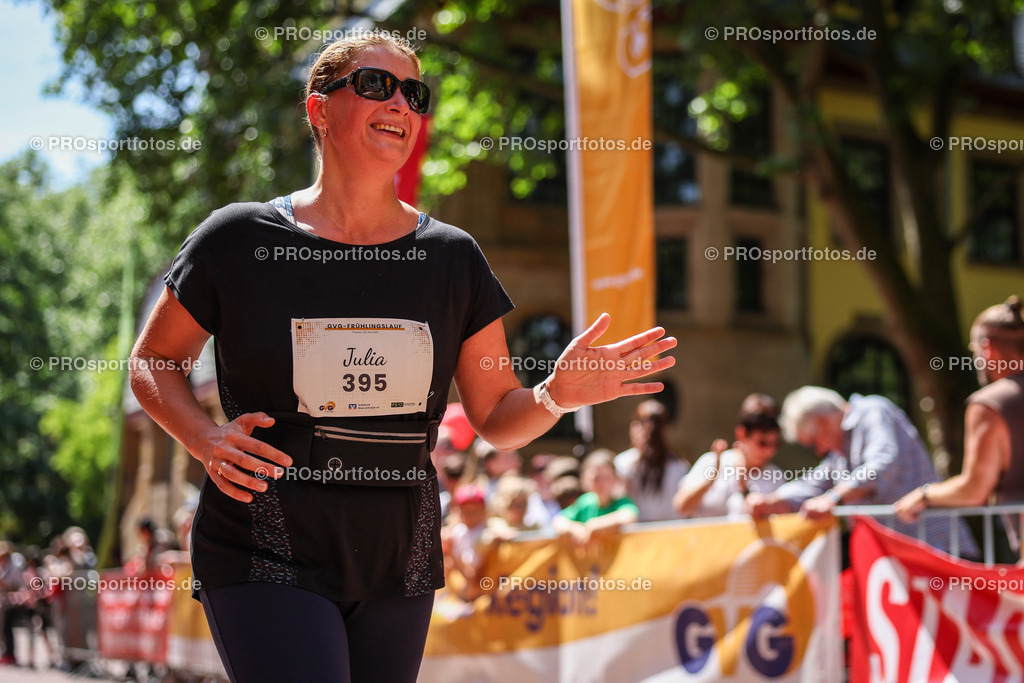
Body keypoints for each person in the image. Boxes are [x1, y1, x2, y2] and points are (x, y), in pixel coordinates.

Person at [128, 33, 676, 683]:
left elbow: (498, 413)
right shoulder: (238, 239)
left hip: (398, 562)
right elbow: (154, 361)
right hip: (263, 546)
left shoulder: (452, 258)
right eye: (374, 85)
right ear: (318, 111)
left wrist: (557, 392)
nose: (399, 104)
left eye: (413, 93)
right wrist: (205, 437)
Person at [746, 386, 976, 556]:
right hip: (901, 562)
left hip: (940, 552)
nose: (819, 450)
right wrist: (771, 501)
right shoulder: (839, 453)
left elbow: (882, 464)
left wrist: (833, 498)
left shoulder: (873, 411)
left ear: (823, 421)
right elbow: (812, 485)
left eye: (814, 442)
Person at [895, 296, 1024, 561]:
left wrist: (923, 494)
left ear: (987, 349)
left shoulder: (990, 404)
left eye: (974, 352)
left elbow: (973, 489)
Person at [674, 393, 784, 519]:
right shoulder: (711, 462)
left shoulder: (776, 478)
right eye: (762, 443)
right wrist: (710, 480)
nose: (769, 451)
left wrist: (744, 486)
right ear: (742, 434)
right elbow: (681, 507)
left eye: (775, 444)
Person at [615, 400, 689, 521]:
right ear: (666, 430)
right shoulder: (680, 466)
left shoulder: (622, 464)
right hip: (674, 534)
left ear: (635, 427)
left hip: (638, 535)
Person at [554, 450, 639, 547]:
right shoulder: (585, 502)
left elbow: (629, 516)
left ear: (615, 479)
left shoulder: (621, 501)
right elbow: (559, 520)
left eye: (606, 478)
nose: (601, 484)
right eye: (596, 478)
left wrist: (595, 525)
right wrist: (575, 529)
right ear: (584, 479)